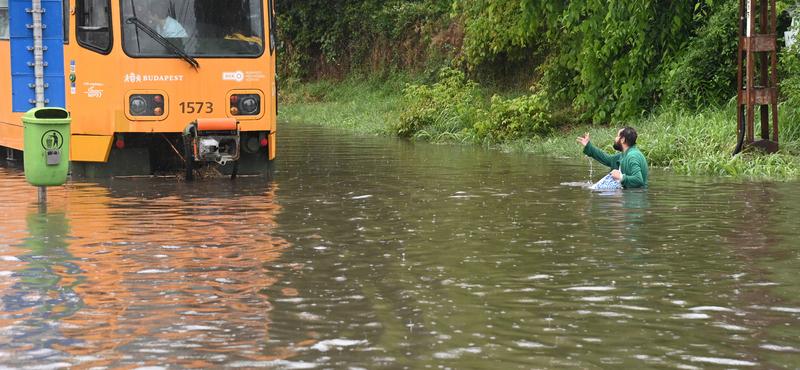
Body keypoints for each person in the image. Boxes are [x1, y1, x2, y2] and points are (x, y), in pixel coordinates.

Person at [577, 126, 648, 188]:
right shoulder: (624, 154)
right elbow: (605, 158)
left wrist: (621, 177)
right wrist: (588, 146)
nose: (615, 138)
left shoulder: (632, 156)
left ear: (623, 140)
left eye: (617, 136)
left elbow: (638, 179)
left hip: (635, 197)